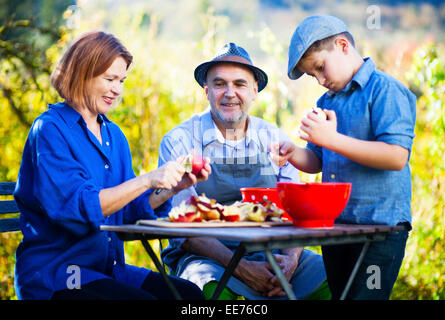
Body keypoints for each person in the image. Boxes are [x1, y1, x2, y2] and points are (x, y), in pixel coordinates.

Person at [13, 31, 210, 300]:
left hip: (107, 269)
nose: (117, 89)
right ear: (82, 74)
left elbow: (127, 213)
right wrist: (148, 179)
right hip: (59, 274)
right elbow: (81, 210)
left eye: (121, 81)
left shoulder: (114, 135)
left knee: (188, 296)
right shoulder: (50, 130)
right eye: (109, 79)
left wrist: (172, 188)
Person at [158, 43, 330, 300]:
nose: (230, 93)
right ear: (206, 90)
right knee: (204, 287)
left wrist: (290, 262)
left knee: (332, 278)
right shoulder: (180, 141)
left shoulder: (273, 137)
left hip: (272, 252)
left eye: (239, 84)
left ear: (254, 91)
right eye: (219, 84)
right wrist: (243, 268)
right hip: (206, 257)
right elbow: (184, 231)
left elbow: (296, 212)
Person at [270, 15, 416, 299]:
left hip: (381, 227)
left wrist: (332, 138)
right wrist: (294, 153)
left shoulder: (385, 90)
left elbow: (396, 156)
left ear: (343, 45)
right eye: (314, 76)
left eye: (321, 68)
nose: (321, 81)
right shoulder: (326, 103)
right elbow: (318, 159)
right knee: (341, 295)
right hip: (336, 226)